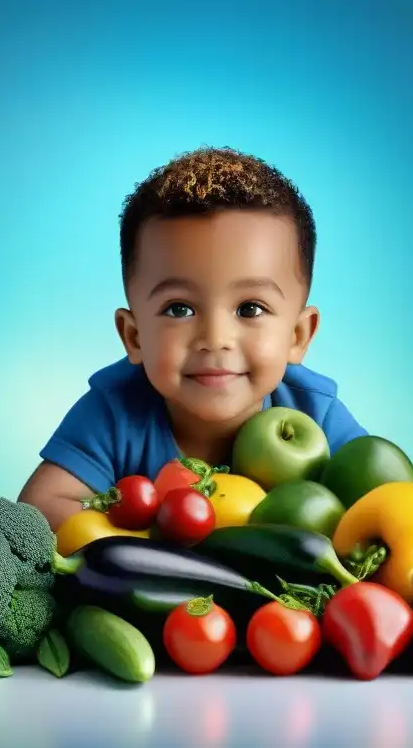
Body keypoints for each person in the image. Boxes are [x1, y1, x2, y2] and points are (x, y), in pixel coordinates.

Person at [19, 147, 368, 530]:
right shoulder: (114, 411)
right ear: (134, 337)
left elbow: (386, 504)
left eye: (250, 309)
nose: (215, 339)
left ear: (298, 336)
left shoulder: (316, 415)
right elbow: (42, 504)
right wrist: (159, 551)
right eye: (179, 309)